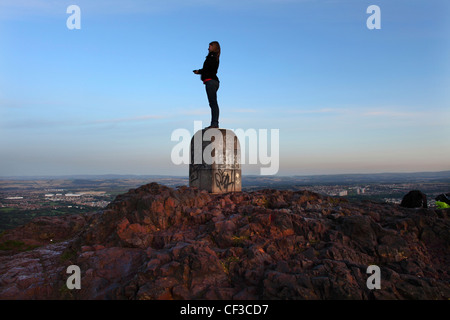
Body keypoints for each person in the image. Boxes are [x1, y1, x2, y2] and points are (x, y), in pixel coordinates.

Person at [193, 41, 221, 129]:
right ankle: (214, 123)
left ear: (214, 47)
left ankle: (214, 123)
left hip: (211, 81)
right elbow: (208, 69)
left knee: (213, 103)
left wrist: (199, 71)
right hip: (212, 82)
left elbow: (208, 69)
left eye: (210, 46)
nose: (208, 48)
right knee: (213, 103)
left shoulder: (212, 56)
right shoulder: (214, 57)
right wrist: (199, 72)